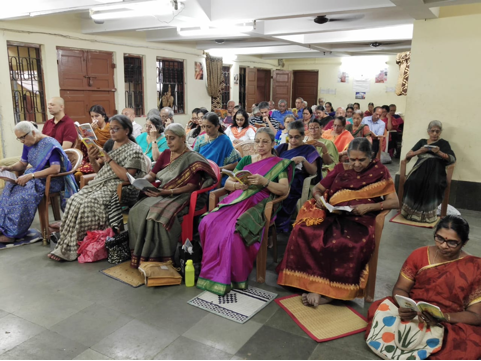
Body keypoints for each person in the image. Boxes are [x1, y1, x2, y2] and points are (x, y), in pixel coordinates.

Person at [278, 138, 399, 305]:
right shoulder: (341, 168)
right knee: (304, 230)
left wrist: (368, 207)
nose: (356, 164)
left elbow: (394, 202)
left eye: (361, 160)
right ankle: (312, 284)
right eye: (352, 159)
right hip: (333, 212)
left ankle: (330, 293)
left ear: (371, 156)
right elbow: (318, 188)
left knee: (345, 241)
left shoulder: (380, 171)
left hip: (361, 218)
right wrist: (319, 199)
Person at [365, 216, 481, 361]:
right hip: (414, 313)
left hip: (448, 321)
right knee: (381, 310)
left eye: (452, 243)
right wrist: (405, 306)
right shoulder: (419, 255)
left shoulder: (476, 267)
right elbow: (400, 288)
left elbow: (476, 316)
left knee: (461, 346)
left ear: (464, 243)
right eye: (439, 238)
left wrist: (443, 318)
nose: (443, 246)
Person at [197, 128, 295, 296]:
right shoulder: (246, 160)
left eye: (265, 141)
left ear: (273, 143)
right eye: (257, 141)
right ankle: (211, 271)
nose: (261, 145)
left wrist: (264, 182)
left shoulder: (280, 163)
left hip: (259, 203)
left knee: (234, 232)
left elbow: (284, 189)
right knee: (208, 221)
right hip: (236, 198)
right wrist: (237, 186)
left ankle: (233, 276)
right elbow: (228, 183)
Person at [48, 115, 147, 262]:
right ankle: (69, 244)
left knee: (89, 204)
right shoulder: (109, 144)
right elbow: (99, 170)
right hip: (102, 183)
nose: (112, 132)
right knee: (74, 200)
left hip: (121, 187)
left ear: (127, 131)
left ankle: (82, 245)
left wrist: (110, 159)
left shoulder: (134, 150)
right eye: (111, 128)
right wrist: (93, 158)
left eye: (116, 129)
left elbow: (126, 177)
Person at [129, 124, 218, 268]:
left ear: (183, 138)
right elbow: (152, 174)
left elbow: (192, 186)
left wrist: (167, 192)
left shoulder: (192, 158)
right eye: (167, 138)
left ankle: (159, 257)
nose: (169, 142)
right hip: (162, 191)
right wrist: (140, 181)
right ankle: (139, 252)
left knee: (157, 216)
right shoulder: (165, 154)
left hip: (182, 195)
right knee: (136, 210)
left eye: (173, 138)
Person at [0, 122, 77, 244]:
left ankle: (12, 232)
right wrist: (8, 168)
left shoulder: (50, 145)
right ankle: (3, 227)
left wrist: (30, 176)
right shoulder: (28, 143)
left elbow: (55, 169)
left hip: (53, 179)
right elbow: (22, 164)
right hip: (37, 175)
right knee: (10, 188)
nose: (21, 141)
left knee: (23, 194)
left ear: (33, 132)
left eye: (22, 137)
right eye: (19, 138)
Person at [401, 121, 456, 223]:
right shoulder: (422, 142)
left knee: (433, 184)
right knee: (412, 182)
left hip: (436, 171)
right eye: (432, 131)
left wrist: (439, 152)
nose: (435, 133)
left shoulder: (444, 143)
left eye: (437, 131)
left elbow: (452, 159)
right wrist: (419, 151)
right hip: (420, 169)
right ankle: (409, 212)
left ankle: (426, 216)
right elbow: (408, 156)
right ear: (428, 132)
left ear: (440, 132)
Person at [275, 121, 321, 233]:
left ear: (303, 136)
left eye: (296, 137)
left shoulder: (308, 149)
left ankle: (280, 224)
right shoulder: (282, 148)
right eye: (290, 137)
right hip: (278, 177)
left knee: (288, 191)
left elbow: (314, 171)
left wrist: (303, 160)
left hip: (296, 180)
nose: (293, 141)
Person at [194, 112, 241, 185]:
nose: (206, 130)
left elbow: (234, 164)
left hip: (216, 175)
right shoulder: (200, 139)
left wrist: (216, 169)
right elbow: (193, 158)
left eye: (209, 127)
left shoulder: (224, 140)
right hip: (201, 173)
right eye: (203, 126)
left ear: (217, 126)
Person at [74, 105, 112, 182]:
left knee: (79, 173)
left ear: (103, 116)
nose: (94, 119)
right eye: (92, 117)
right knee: (75, 171)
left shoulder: (110, 128)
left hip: (106, 157)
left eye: (97, 116)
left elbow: (110, 148)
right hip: (93, 156)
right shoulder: (94, 129)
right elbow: (88, 146)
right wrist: (87, 134)